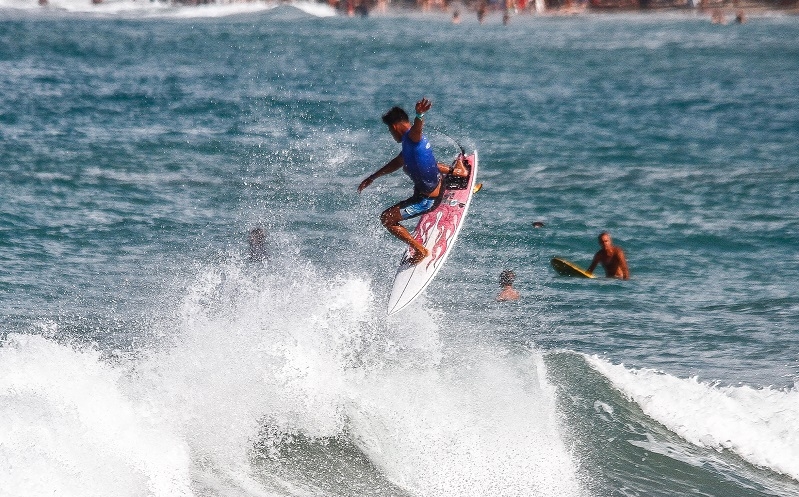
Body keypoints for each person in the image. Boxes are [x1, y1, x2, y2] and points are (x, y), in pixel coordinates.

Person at [358, 98, 467, 265]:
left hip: (427, 200)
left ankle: (420, 250)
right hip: (433, 185)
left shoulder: (412, 137)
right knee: (411, 164)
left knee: (387, 219)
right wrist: (373, 177)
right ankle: (457, 172)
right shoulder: (409, 145)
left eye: (389, 130)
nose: (390, 133)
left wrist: (420, 114)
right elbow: (397, 161)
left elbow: (417, 128)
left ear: (394, 127)